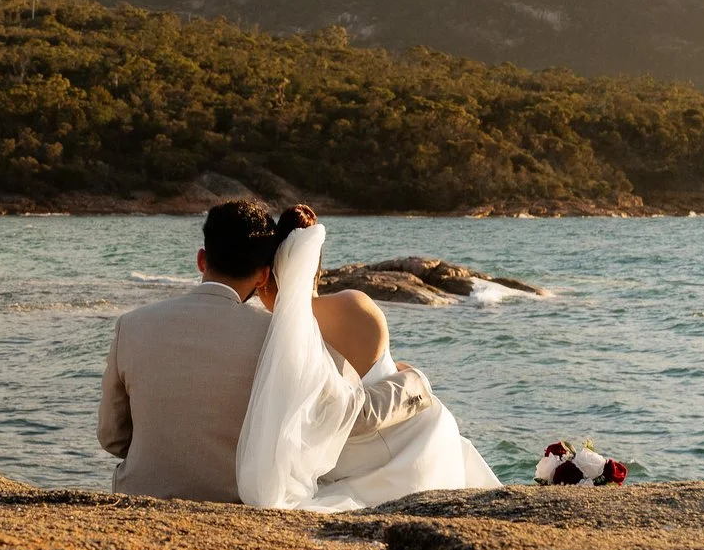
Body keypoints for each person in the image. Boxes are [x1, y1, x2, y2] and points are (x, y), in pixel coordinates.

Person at [97, 199, 435, 502]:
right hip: (235, 503)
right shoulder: (278, 338)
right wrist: (414, 384)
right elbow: (351, 415)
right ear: (263, 275)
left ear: (202, 260)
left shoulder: (132, 324)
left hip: (140, 496)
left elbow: (112, 437)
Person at [236, 205, 501, 510]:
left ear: (266, 277)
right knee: (445, 431)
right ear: (316, 267)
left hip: (342, 458)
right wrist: (414, 379)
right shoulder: (356, 304)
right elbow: (376, 376)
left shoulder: (272, 335)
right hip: (409, 442)